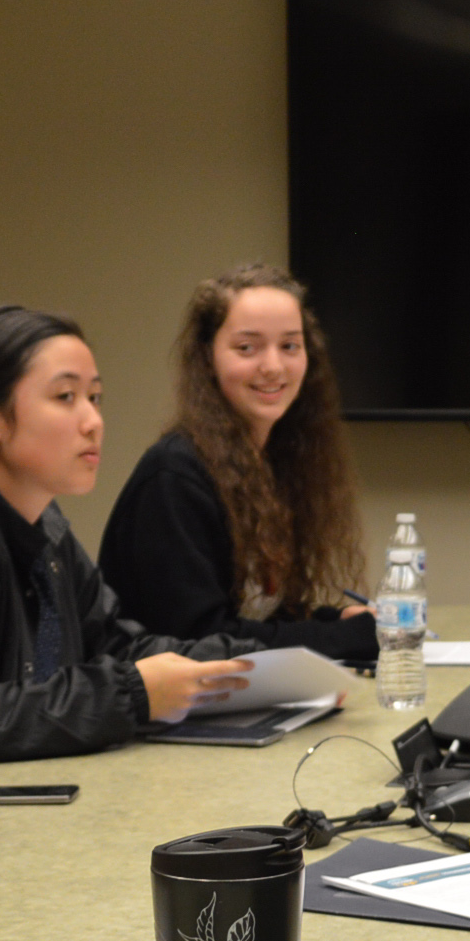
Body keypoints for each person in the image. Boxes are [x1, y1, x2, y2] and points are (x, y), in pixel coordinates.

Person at [0, 305, 253, 760]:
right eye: (65, 397)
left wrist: (250, 665)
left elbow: (116, 643)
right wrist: (133, 695)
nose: (93, 421)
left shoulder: (42, 520)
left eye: (94, 398)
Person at [98, 265, 374, 660]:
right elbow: (202, 640)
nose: (273, 366)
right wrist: (347, 639)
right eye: (247, 348)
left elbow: (253, 618)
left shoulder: (277, 462)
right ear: (208, 357)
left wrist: (333, 621)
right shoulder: (175, 476)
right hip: (168, 716)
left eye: (290, 346)